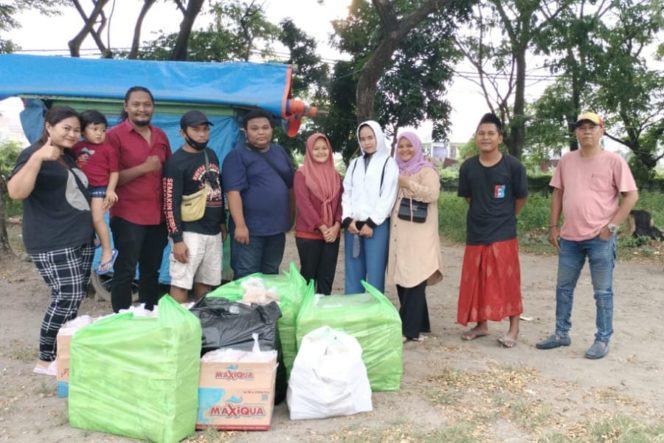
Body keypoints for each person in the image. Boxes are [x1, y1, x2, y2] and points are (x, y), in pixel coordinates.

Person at [536, 111, 638, 359]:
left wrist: (611, 227)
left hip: (600, 238)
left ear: (601, 130)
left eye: (591, 127)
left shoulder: (614, 161)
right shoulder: (567, 160)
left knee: (602, 292)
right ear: (576, 133)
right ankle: (561, 333)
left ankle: (602, 339)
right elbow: (558, 194)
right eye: (581, 127)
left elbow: (631, 196)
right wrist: (553, 227)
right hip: (570, 237)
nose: (586, 131)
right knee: (563, 288)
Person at [7, 106, 94, 375]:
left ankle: (62, 354)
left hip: (79, 237)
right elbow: (16, 192)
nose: (72, 134)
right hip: (53, 239)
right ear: (49, 127)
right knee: (65, 295)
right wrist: (37, 159)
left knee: (74, 297)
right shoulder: (34, 154)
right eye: (66, 128)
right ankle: (45, 358)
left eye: (77, 130)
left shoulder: (66, 157)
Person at [457, 113, 528, 348]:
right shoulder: (468, 167)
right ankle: (481, 324)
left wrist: (506, 218)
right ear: (476, 138)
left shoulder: (513, 166)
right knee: (476, 281)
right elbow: (469, 198)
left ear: (500, 138)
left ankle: (513, 329)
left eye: (490, 133)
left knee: (507, 282)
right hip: (476, 232)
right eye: (481, 133)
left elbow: (520, 198)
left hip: (503, 233)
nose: (485, 137)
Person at [106, 86, 172, 312]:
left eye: (147, 104)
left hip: (157, 216)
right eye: (136, 104)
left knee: (151, 270)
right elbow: (109, 180)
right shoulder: (113, 136)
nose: (142, 109)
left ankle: (148, 316)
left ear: (153, 107)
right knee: (125, 270)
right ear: (126, 107)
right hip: (128, 215)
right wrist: (144, 168)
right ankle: (121, 320)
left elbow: (168, 174)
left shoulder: (161, 136)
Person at [221, 109, 294, 279]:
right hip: (250, 231)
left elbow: (290, 186)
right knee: (247, 278)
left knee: (271, 274)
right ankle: (246, 307)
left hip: (276, 230)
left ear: (271, 130)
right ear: (245, 132)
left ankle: (265, 306)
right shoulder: (237, 156)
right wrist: (240, 225)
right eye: (254, 128)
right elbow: (233, 193)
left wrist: (290, 218)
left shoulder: (279, 152)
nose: (261, 132)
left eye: (265, 127)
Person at [163, 111, 226, 303]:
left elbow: (217, 190)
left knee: (206, 283)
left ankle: (201, 325)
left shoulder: (211, 154)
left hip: (212, 232)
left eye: (205, 129)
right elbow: (169, 202)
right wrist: (177, 239)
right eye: (196, 130)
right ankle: (179, 328)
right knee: (181, 283)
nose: (202, 134)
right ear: (183, 133)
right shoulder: (176, 162)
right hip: (190, 233)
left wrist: (222, 223)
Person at [386, 131, 444, 342]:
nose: (405, 150)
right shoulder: (395, 169)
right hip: (400, 233)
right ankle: (421, 324)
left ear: (417, 147)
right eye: (401, 146)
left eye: (409, 145)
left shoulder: (426, 170)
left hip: (419, 234)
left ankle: (408, 330)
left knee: (416, 277)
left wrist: (407, 183)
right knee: (404, 277)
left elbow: (432, 194)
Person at [341, 120, 398, 294]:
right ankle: (353, 313)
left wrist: (372, 223)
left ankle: (373, 315)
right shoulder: (355, 164)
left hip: (376, 227)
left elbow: (387, 196)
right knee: (353, 272)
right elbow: (347, 192)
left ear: (378, 137)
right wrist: (347, 219)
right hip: (353, 226)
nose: (367, 142)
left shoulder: (389, 163)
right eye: (363, 138)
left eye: (370, 138)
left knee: (375, 274)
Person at [294, 133, 343, 295]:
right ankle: (305, 315)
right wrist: (322, 226)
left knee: (326, 278)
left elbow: (340, 204)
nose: (321, 152)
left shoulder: (336, 176)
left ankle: (322, 315)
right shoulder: (301, 175)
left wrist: (337, 226)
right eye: (316, 149)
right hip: (309, 234)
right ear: (309, 151)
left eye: (324, 148)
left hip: (332, 235)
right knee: (308, 277)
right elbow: (304, 204)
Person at [71, 110, 119, 274]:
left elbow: (114, 171)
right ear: (83, 131)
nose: (100, 134)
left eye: (103, 130)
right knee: (82, 218)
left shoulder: (108, 149)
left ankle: (107, 251)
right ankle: (94, 239)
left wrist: (110, 190)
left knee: (98, 219)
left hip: (99, 189)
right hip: (81, 190)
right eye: (95, 129)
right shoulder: (75, 147)